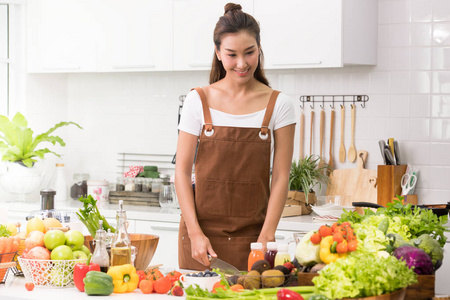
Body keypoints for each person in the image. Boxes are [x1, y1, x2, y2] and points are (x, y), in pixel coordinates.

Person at [175, 3, 296, 271]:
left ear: (259, 49)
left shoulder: (280, 104)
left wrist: (267, 235)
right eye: (231, 54)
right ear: (218, 53)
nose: (242, 64)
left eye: (249, 52)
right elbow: (181, 173)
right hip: (201, 240)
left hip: (255, 240)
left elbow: (281, 176)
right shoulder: (198, 100)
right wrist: (195, 233)